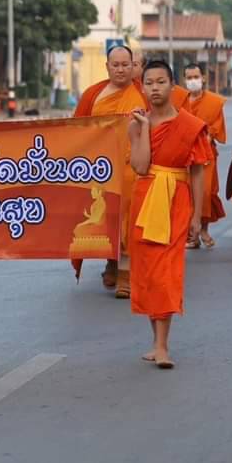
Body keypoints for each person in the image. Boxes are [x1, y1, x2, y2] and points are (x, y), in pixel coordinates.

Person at [127, 60, 211, 370]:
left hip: (176, 200)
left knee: (166, 272)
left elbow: (198, 173)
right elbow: (139, 166)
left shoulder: (190, 126)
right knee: (149, 272)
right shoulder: (136, 124)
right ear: (143, 86)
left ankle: (162, 345)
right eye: (149, 83)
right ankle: (155, 341)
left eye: (161, 82)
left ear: (172, 85)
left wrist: (197, 216)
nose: (155, 88)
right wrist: (146, 128)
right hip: (145, 199)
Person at [70, 44, 148, 297]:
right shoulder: (93, 95)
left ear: (133, 66)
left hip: (130, 168)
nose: (121, 70)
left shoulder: (143, 93)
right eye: (116, 65)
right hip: (100, 169)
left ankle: (126, 273)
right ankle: (112, 262)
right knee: (105, 221)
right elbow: (75, 130)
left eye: (126, 65)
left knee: (127, 219)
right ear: (107, 67)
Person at [174, 63, 226, 248]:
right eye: (189, 78)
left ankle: (203, 229)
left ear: (203, 78)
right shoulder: (179, 102)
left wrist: (200, 142)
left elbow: (215, 129)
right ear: (184, 80)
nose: (193, 81)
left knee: (205, 192)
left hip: (205, 153)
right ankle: (191, 235)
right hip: (183, 154)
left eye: (196, 77)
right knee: (186, 194)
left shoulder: (214, 102)